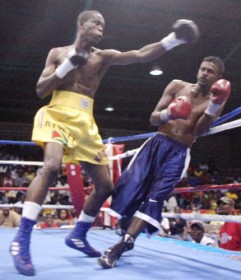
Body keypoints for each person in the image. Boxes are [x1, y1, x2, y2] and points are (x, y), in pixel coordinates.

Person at [9, 10, 200, 276]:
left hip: (85, 121)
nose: (100, 28)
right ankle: (22, 240)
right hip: (56, 114)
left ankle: (78, 234)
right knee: (51, 166)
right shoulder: (57, 53)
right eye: (96, 23)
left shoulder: (103, 57)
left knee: (105, 185)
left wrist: (174, 39)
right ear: (81, 24)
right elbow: (41, 89)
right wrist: (66, 66)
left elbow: (141, 54)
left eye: (103, 24)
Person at [98, 56, 231, 269]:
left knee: (155, 198)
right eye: (203, 68)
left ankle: (121, 246)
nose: (205, 73)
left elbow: (199, 131)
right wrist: (169, 113)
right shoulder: (177, 86)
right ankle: (127, 230)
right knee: (130, 189)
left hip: (178, 153)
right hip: (156, 144)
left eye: (210, 71)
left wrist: (214, 106)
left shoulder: (215, 100)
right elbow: (152, 118)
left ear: (218, 78)